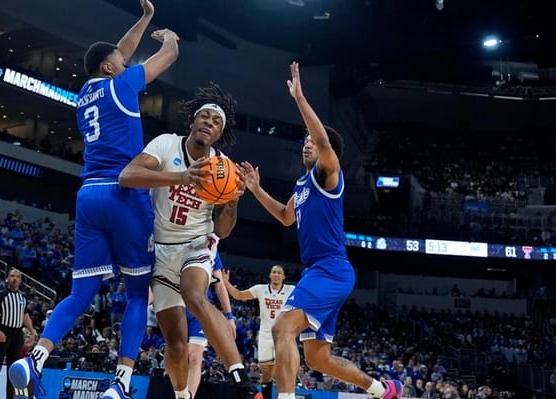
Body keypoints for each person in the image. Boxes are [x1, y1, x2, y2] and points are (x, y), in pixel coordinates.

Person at [9, 0, 180, 399]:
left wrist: (144, 18)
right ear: (110, 68)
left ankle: (35, 358)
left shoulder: (85, 92)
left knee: (82, 291)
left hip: (89, 196)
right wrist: (170, 37)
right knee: (137, 293)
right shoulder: (122, 85)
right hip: (124, 194)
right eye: (120, 61)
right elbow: (167, 56)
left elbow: (117, 51)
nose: (127, 61)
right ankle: (120, 384)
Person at [239, 62, 402, 399]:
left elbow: (324, 140)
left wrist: (299, 98)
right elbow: (285, 217)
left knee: (283, 326)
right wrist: (256, 190)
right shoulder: (302, 184)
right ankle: (383, 389)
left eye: (310, 142)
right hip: (323, 271)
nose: (306, 145)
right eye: (303, 142)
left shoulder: (330, 175)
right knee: (318, 359)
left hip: (331, 269)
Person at [119, 84, 254, 399]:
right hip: (161, 249)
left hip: (197, 242)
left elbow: (222, 231)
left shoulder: (223, 168)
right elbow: (128, 176)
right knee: (176, 343)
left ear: (219, 133)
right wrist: (179, 177)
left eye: (216, 121)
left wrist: (232, 202)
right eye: (204, 117)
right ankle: (182, 396)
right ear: (192, 122)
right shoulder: (166, 145)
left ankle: (240, 378)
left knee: (195, 296)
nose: (209, 123)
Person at [222, 265, 295, 399]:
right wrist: (226, 282)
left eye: (279, 272)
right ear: (270, 275)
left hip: (283, 335)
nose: (276, 274)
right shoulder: (260, 289)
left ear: (284, 276)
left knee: (283, 372)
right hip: (266, 334)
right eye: (274, 272)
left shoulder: (292, 290)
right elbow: (238, 295)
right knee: (266, 373)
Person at [187, 251, 236, 399]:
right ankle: (180, 392)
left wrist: (229, 316)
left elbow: (220, 286)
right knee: (178, 356)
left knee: (195, 358)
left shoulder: (211, 247)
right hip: (176, 306)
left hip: (200, 309)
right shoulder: (178, 237)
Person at [0, 269, 36, 399]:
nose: (14, 278)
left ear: (20, 280)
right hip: (4, 331)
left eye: (17, 277)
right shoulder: (0, 294)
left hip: (17, 334)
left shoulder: (23, 297)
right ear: (8, 278)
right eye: (12, 276)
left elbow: (25, 316)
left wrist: (32, 332)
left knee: (12, 370)